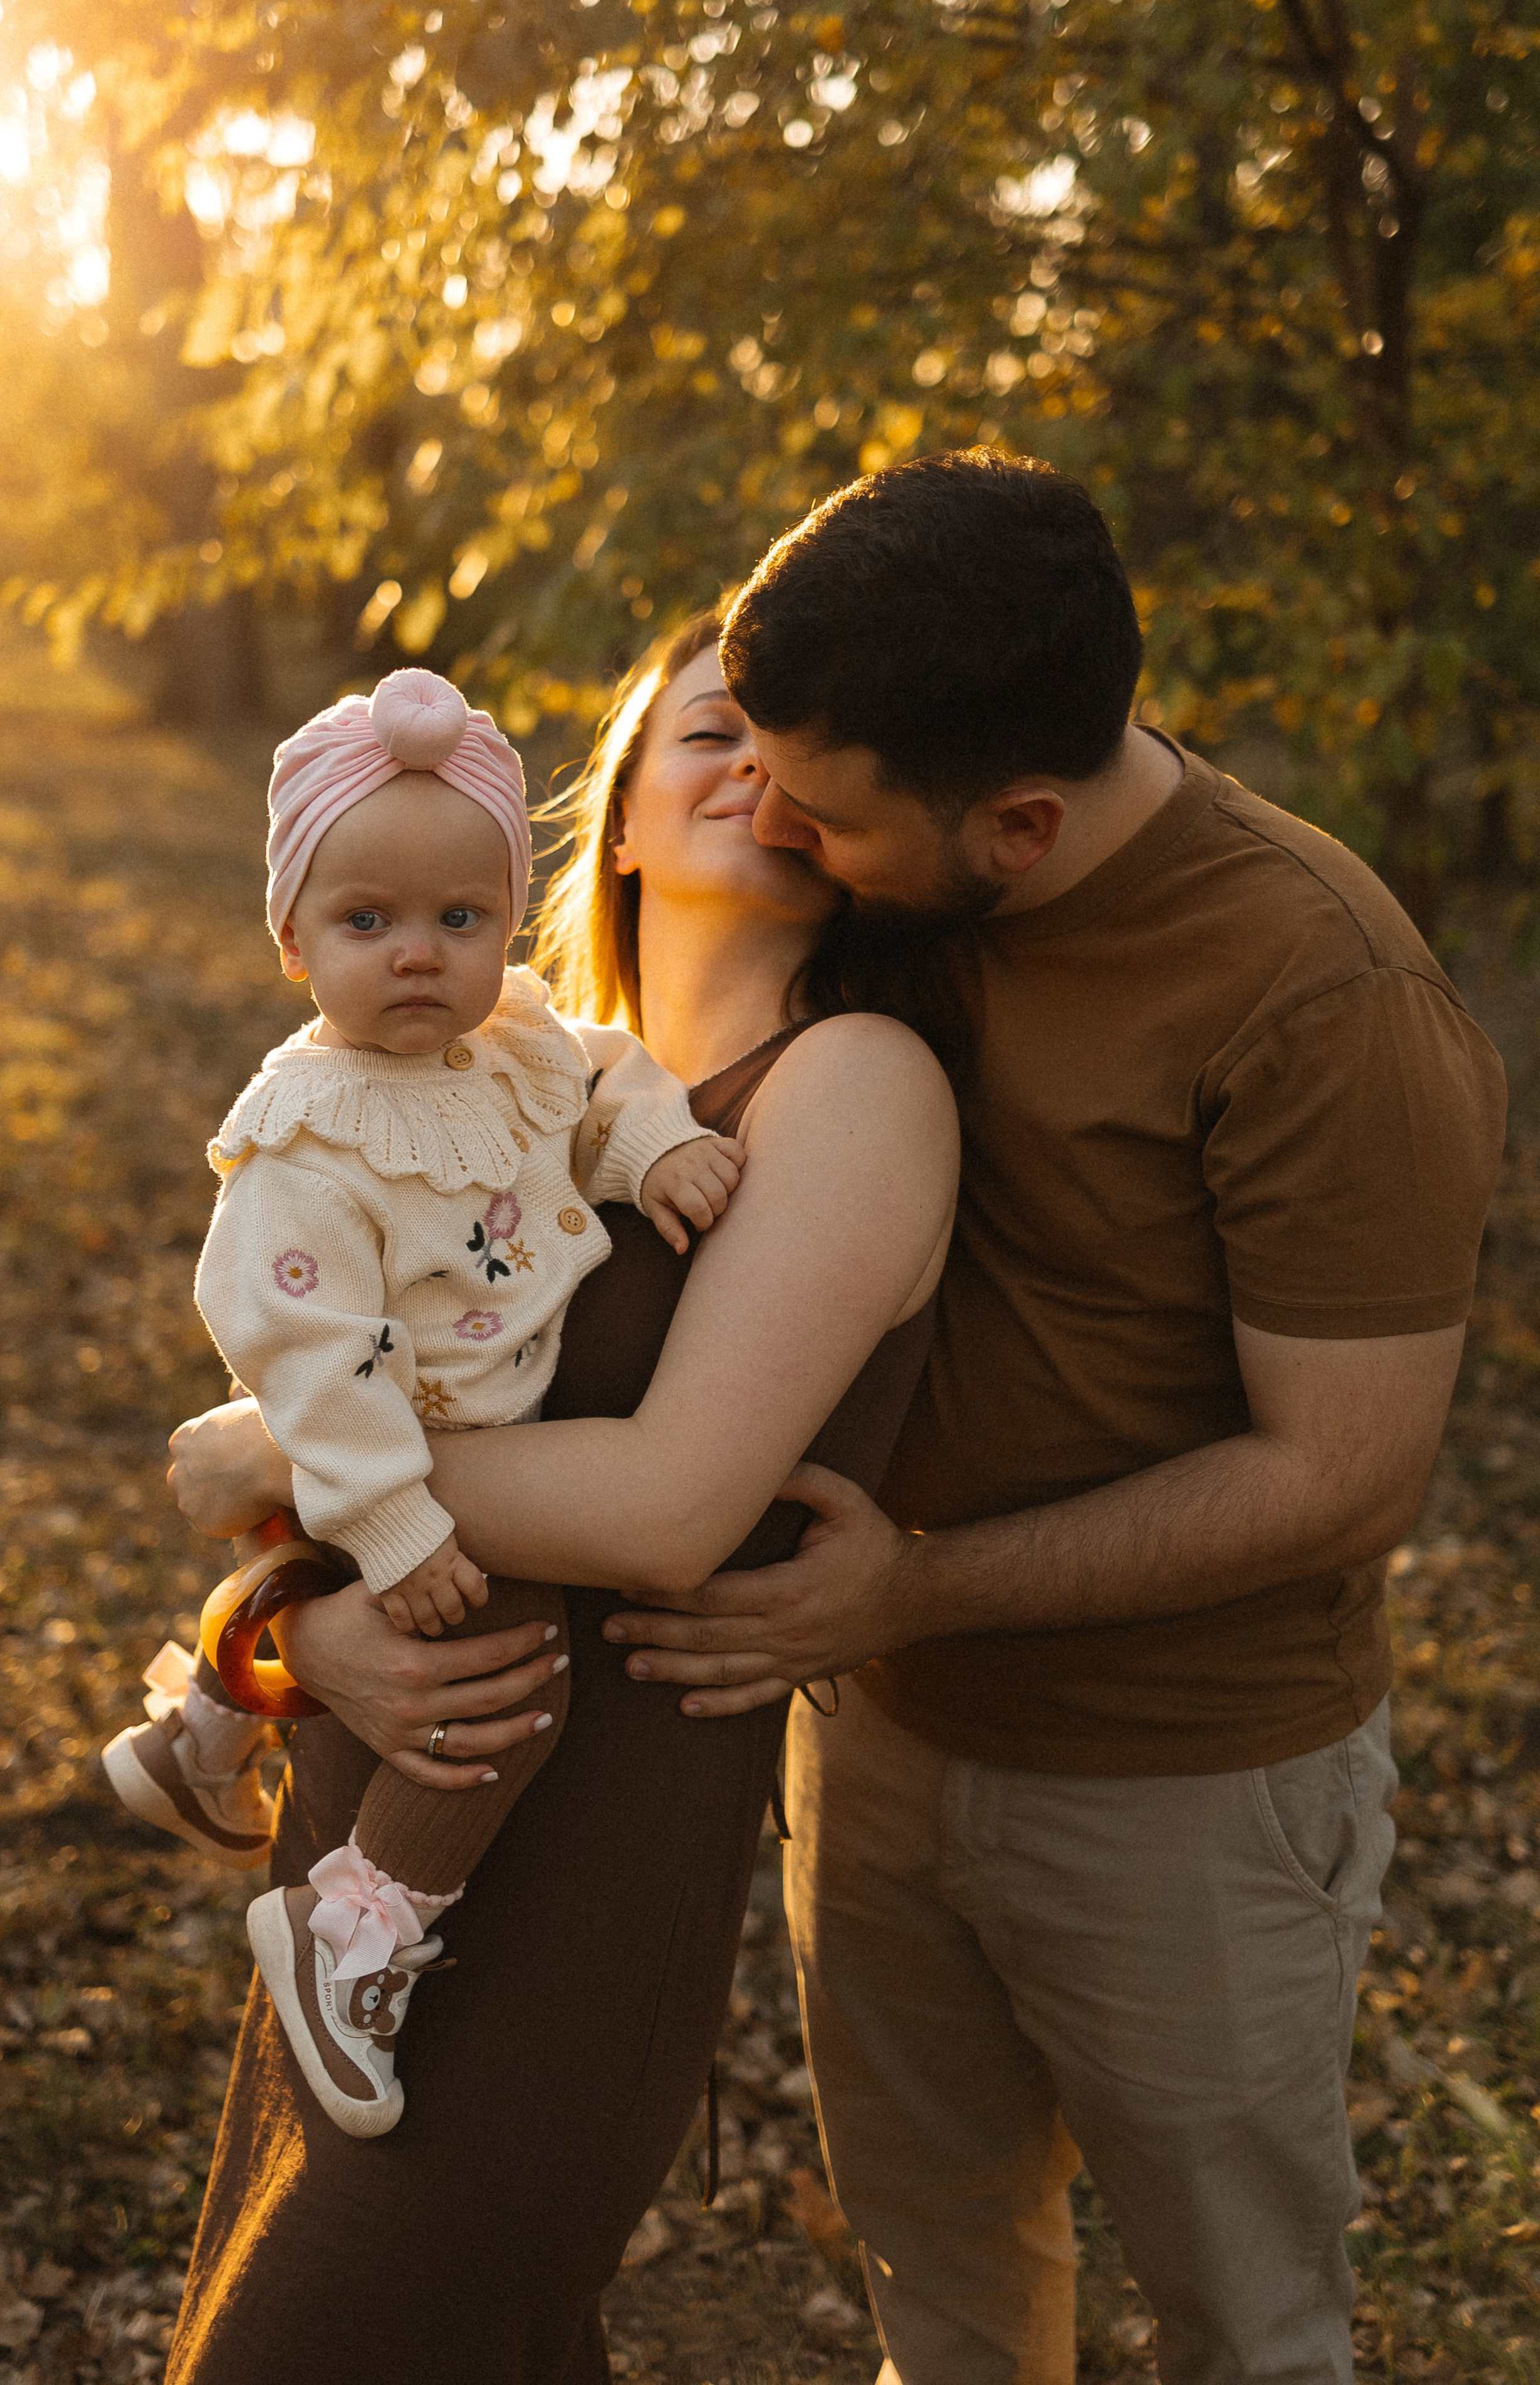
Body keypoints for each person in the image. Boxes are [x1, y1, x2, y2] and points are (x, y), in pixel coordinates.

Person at [599, 452, 1509, 2384]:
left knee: (1241, 2318)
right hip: (879, 1727)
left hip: (1180, 1780)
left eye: (823, 815)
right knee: (941, 2282)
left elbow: (1345, 1474)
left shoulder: (1321, 992)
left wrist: (912, 1587)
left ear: (1016, 822)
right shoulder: (903, 846)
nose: (782, 829)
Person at [161, 613, 960, 2383]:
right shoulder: (495, 1082)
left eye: (794, 738)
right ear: (615, 817)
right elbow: (332, 1361)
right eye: (708, 734)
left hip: (588, 1856)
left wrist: (282, 1460)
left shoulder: (850, 1081)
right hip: (380, 1855)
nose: (756, 766)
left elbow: (664, 1506)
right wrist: (280, 1620)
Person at [106, 663, 745, 2139]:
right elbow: (305, 1352)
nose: (417, 955)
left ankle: (200, 1732)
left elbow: (605, 1075)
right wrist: (391, 1515)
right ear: (290, 937)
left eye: (460, 919)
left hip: (470, 1429)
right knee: (504, 1683)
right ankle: (354, 1932)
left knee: (369, 1584)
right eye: (365, 921)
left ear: (506, 925)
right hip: (395, 1443)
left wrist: (651, 1150)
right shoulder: (306, 1133)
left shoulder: (517, 1039)